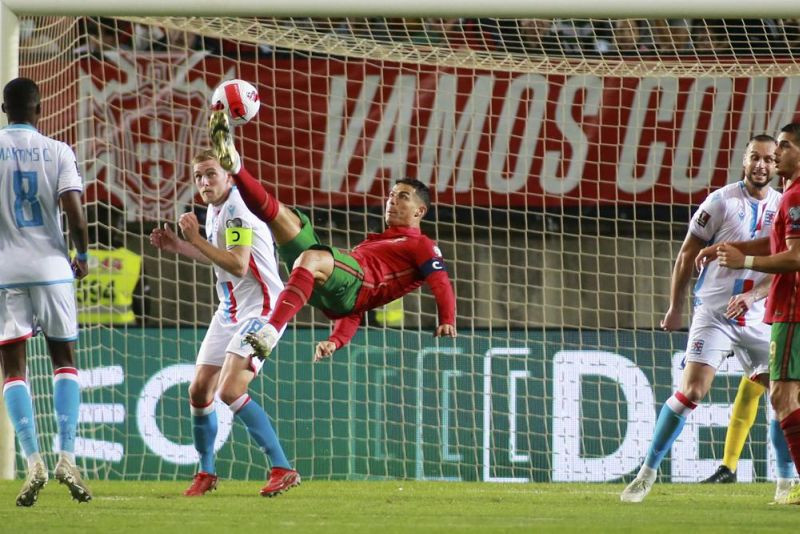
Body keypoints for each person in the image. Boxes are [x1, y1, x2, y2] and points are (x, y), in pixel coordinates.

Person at [207, 111, 457, 361]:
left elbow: (440, 281)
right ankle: (236, 167)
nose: (392, 201)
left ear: (420, 211)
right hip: (326, 287)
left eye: (402, 197)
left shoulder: (421, 244)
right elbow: (353, 308)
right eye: (391, 195)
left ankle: (269, 332)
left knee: (313, 256)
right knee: (283, 218)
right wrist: (336, 340)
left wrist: (447, 318)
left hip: (347, 281)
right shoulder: (376, 243)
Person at [620, 134, 782, 503]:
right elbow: (685, 255)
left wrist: (753, 295)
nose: (761, 165)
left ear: (776, 165)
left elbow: (783, 264)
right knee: (693, 390)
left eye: (768, 160)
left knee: (784, 399)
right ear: (744, 161)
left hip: (758, 316)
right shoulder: (721, 201)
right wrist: (675, 306)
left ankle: (786, 484)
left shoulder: (782, 205)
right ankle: (647, 472)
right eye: (754, 158)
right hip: (714, 313)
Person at [150, 150, 299, 498]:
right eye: (198, 176)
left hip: (265, 312)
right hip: (230, 311)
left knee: (230, 390)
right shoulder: (218, 208)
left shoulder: (237, 209)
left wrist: (194, 238)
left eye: (211, 174)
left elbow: (238, 266)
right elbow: (221, 258)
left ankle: (282, 467)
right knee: (199, 389)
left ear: (230, 177)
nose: (204, 182)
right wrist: (181, 248)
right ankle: (206, 472)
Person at [0, 77, 91, 506]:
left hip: (5, 271)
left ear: (4, 109)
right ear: (40, 109)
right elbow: (73, 209)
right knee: (64, 360)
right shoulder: (58, 151)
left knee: (13, 370)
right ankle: (67, 456)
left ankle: (31, 458)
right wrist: (83, 254)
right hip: (53, 268)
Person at [716, 122, 800, 504]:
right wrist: (736, 247)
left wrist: (745, 259)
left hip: (792, 310)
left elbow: (795, 256)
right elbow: (776, 240)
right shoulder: (790, 196)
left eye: (783, 146)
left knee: (781, 397)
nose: (776, 153)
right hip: (785, 311)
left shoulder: (795, 196)